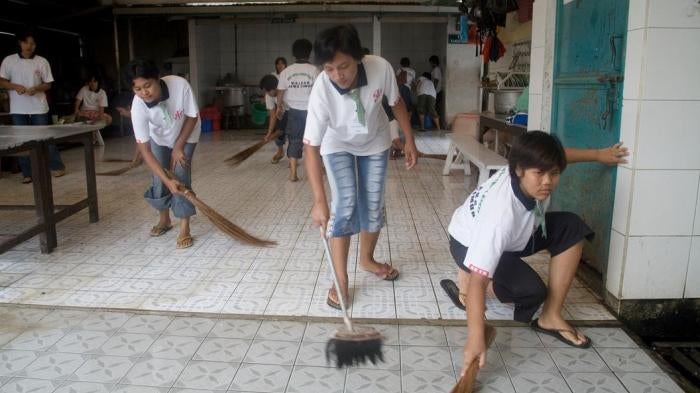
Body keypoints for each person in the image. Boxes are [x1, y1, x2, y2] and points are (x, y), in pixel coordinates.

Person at [451, 131, 629, 376]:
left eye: (554, 173)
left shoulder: (531, 169)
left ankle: (550, 316)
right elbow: (480, 283)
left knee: (572, 228)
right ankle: (467, 273)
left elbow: (561, 156)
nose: (547, 181)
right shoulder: (499, 216)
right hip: (467, 242)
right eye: (540, 174)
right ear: (519, 170)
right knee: (531, 292)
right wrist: (475, 337)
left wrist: (599, 155)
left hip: (520, 234)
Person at [303, 24, 418, 310]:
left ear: (358, 57)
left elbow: (396, 103)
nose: (337, 76)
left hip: (375, 141)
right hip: (336, 143)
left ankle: (367, 259)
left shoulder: (380, 68)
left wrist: (409, 140)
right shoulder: (321, 89)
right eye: (329, 69)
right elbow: (311, 148)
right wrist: (318, 200)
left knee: (373, 206)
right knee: (344, 204)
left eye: (343, 66)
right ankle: (340, 278)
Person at [126, 59, 201, 249]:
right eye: (138, 89)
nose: (145, 92)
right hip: (159, 138)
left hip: (187, 132)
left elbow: (192, 116)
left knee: (180, 175)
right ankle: (164, 219)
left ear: (157, 78)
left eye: (148, 85)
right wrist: (168, 182)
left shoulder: (180, 85)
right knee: (160, 179)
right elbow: (145, 149)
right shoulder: (138, 107)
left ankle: (185, 227)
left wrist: (178, 148)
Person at [0, 31, 65, 184]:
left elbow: (48, 84)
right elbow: (2, 81)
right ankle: (27, 173)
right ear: (20, 43)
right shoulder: (9, 60)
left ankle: (56, 166)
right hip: (18, 108)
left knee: (45, 138)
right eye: (27, 42)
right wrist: (15, 86)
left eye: (33, 43)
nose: (30, 46)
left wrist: (36, 89)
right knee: (22, 141)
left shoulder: (42, 61)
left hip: (38, 107)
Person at [276, 39, 318, 182]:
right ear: (309, 53)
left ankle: (293, 173)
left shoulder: (286, 72)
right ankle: (316, 171)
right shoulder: (314, 70)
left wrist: (278, 107)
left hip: (293, 111)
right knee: (314, 141)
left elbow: (280, 92)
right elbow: (320, 93)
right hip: (312, 112)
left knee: (294, 140)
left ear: (293, 54)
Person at [74, 73, 112, 145]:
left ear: (98, 82)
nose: (92, 83)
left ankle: (93, 136)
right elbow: (78, 101)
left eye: (94, 81)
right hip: (84, 112)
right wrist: (76, 110)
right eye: (90, 81)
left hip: (96, 113)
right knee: (84, 119)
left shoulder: (102, 93)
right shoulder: (84, 89)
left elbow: (101, 111)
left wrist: (97, 118)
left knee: (109, 118)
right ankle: (92, 138)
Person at [260, 74, 287, 163]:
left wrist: (279, 131)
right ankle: (280, 151)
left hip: (294, 111)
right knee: (277, 128)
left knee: (292, 133)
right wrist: (269, 134)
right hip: (281, 112)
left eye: (268, 91)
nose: (267, 94)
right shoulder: (268, 95)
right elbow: (272, 116)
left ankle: (293, 156)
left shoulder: (286, 91)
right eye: (266, 92)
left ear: (276, 87)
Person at [429, 54, 443, 119]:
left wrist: (433, 90)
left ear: (433, 62)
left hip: (437, 91)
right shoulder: (435, 69)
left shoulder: (436, 69)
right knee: (435, 107)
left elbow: (436, 80)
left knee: (435, 107)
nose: (430, 64)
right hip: (436, 91)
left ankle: (437, 121)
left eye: (431, 62)